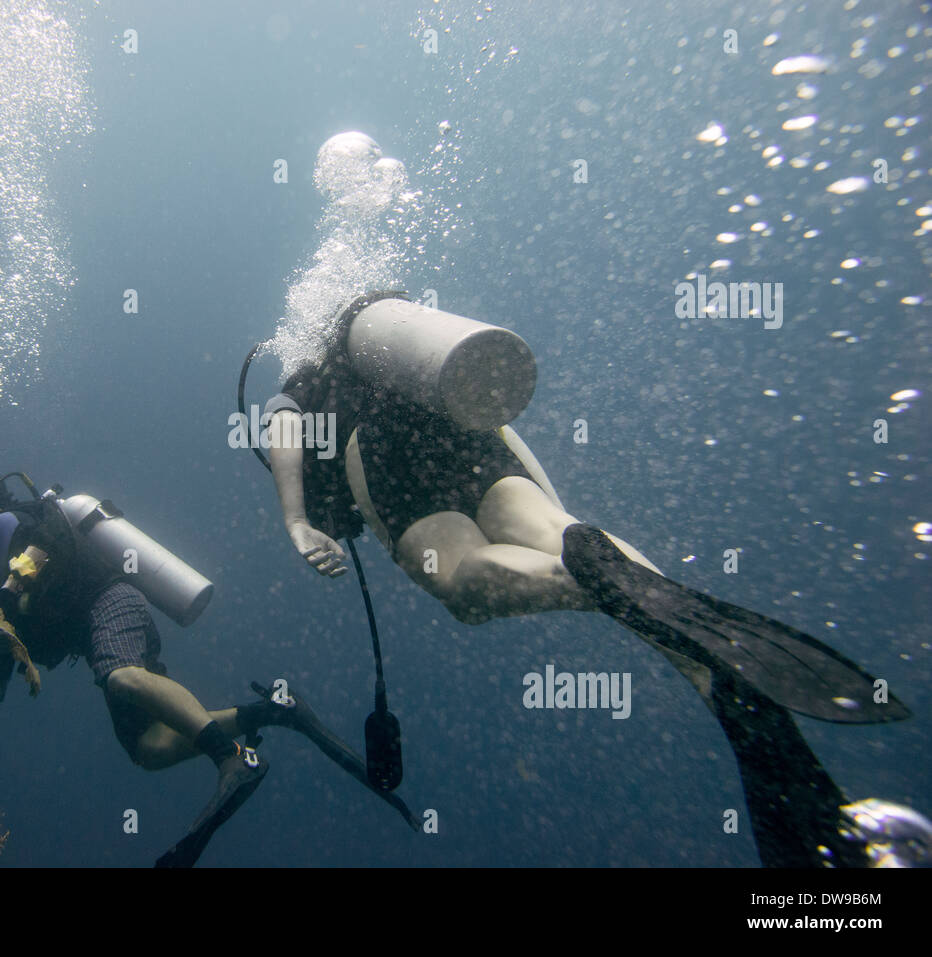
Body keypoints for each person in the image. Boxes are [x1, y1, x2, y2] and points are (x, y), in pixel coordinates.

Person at [262, 290, 922, 867]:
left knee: (463, 578)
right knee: (555, 525)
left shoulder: (317, 374)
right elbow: (503, 431)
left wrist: (296, 520)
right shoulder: (408, 352)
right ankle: (702, 665)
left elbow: (283, 424)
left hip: (385, 452)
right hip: (475, 433)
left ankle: (591, 580)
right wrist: (577, 534)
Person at [0, 469, 417, 866]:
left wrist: (6, 624)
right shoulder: (7, 526)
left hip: (109, 605)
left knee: (122, 677)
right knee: (151, 748)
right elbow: (11, 617)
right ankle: (272, 711)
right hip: (114, 615)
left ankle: (231, 760)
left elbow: (20, 584)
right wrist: (0, 663)